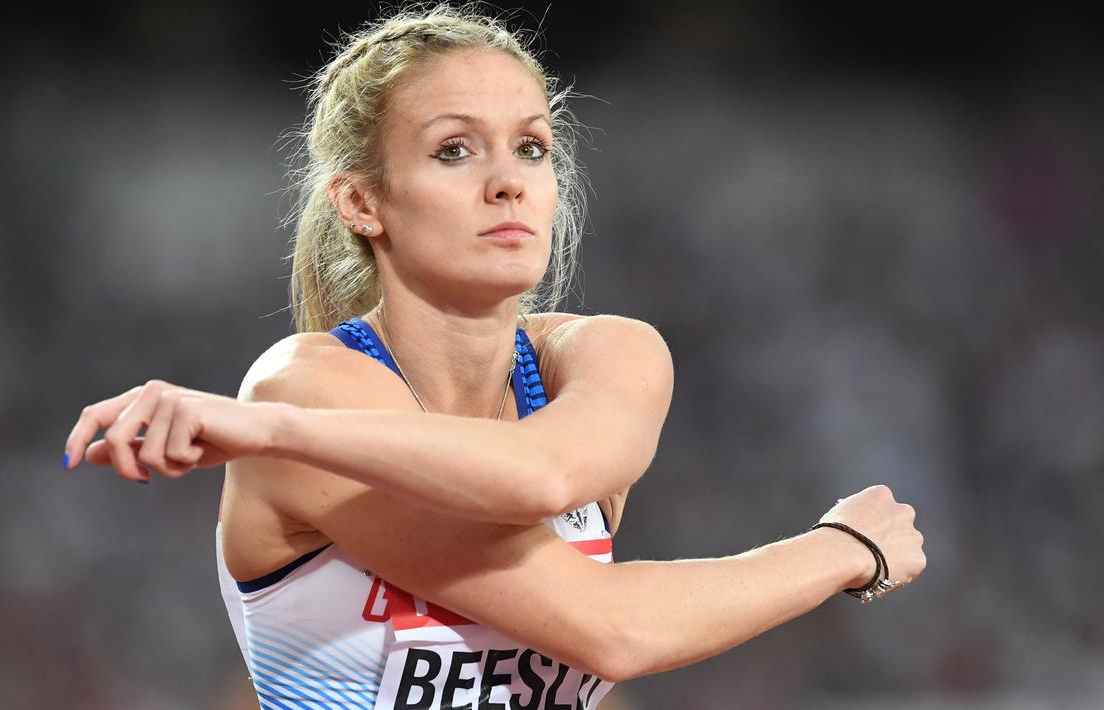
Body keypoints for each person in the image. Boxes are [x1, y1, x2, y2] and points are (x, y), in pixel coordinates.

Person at [64, 5, 926, 709]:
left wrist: (269, 429)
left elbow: (542, 477)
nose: (508, 180)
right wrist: (844, 547)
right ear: (362, 202)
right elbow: (610, 627)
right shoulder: (305, 384)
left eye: (531, 146)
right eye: (453, 150)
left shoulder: (609, 355)